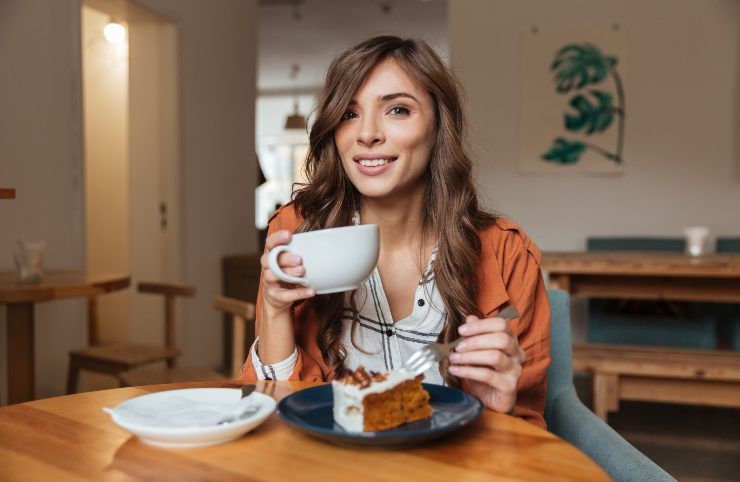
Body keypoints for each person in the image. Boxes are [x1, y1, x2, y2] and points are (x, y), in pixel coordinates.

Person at [240, 36, 551, 428]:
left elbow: (528, 434)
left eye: (398, 110)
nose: (366, 133)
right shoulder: (297, 232)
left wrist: (496, 412)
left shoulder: (508, 255)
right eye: (349, 114)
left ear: (439, 126)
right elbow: (274, 414)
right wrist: (273, 310)